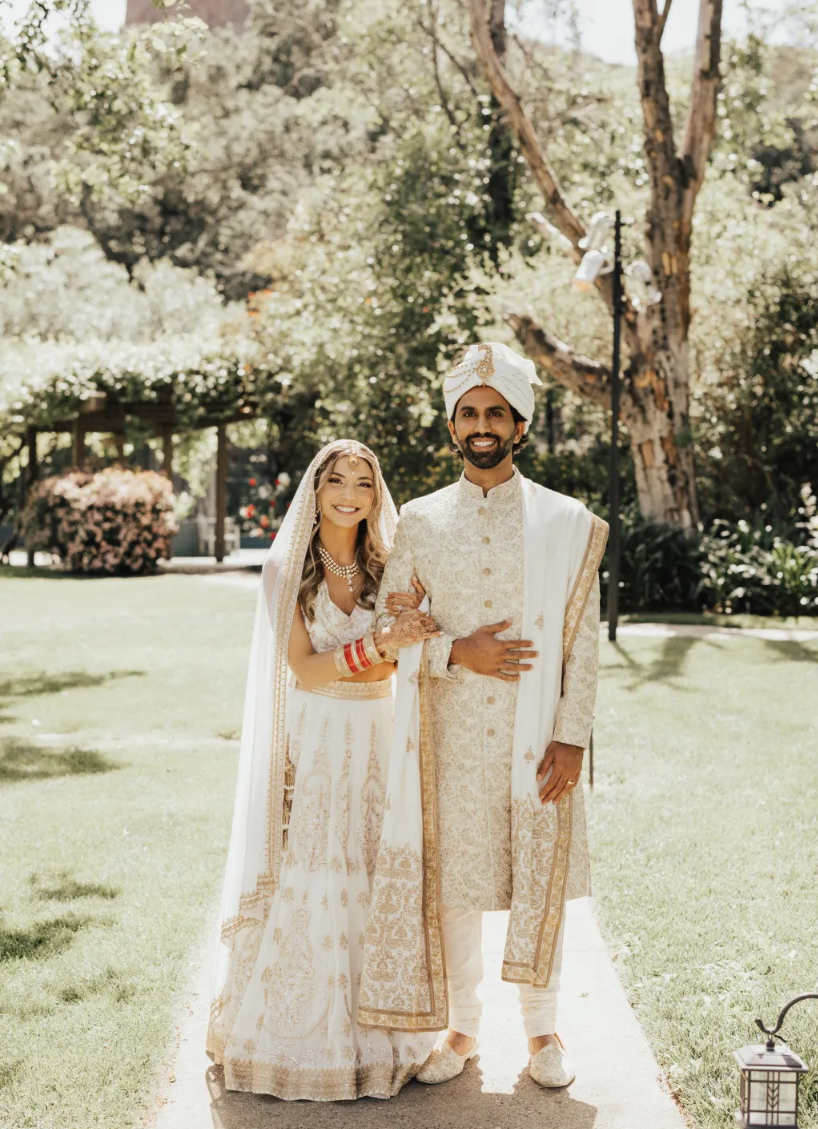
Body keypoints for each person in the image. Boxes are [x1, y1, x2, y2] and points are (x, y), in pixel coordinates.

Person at [358, 342, 609, 1089]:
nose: (482, 424)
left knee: (538, 875)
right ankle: (463, 1030)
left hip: (538, 739)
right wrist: (452, 654)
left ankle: (543, 1033)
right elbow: (388, 629)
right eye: (469, 412)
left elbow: (584, 642)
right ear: (452, 423)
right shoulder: (424, 522)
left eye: (496, 412)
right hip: (451, 732)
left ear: (520, 424)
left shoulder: (565, 520)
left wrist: (572, 737)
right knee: (457, 887)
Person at [206, 439, 439, 1101]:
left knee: (374, 863)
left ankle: (385, 1033)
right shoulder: (286, 568)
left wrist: (397, 644)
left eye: (362, 482)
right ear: (316, 488)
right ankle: (299, 1039)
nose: (348, 492)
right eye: (335, 479)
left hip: (378, 729)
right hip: (319, 735)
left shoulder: (389, 562)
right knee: (317, 866)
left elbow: (400, 662)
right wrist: (377, 643)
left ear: (375, 493)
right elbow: (305, 667)